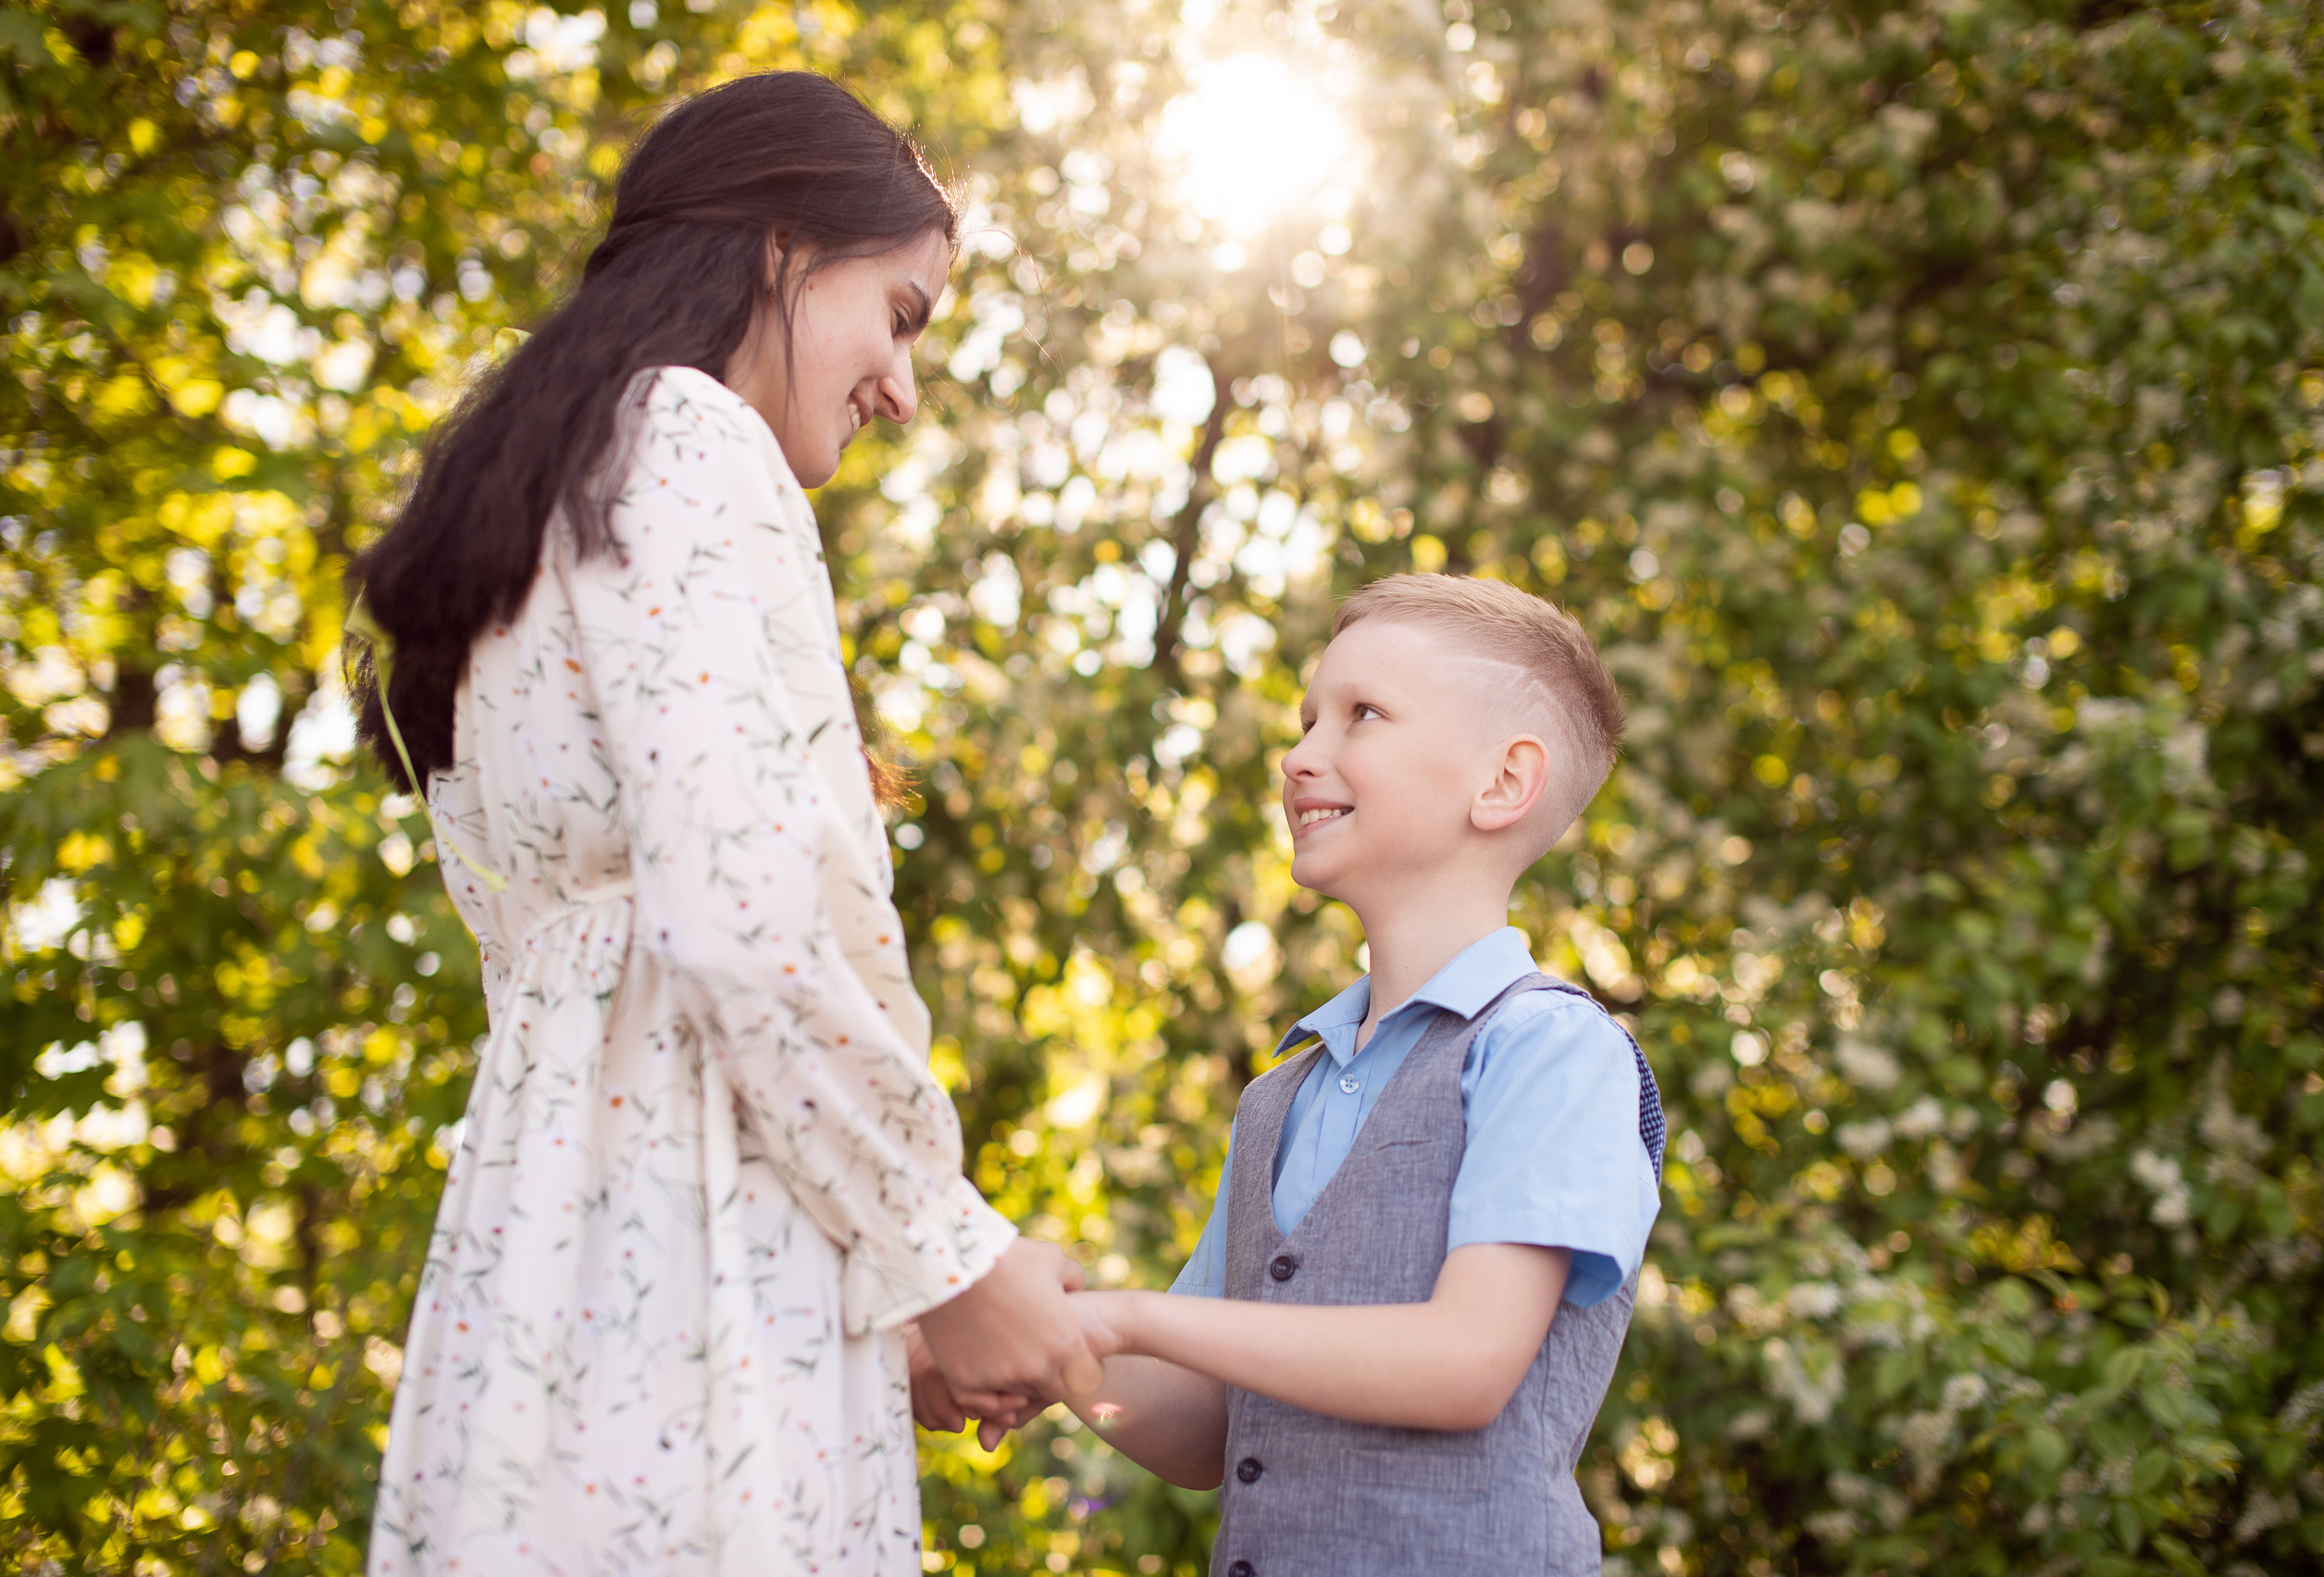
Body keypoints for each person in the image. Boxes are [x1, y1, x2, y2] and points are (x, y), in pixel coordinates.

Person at [348, 73, 1097, 1576]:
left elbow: (610, 1026)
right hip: (687, 1296)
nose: (902, 381)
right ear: (778, 249)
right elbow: (743, 929)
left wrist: (872, 1300)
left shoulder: (560, 502)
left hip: (565, 1277)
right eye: (902, 312)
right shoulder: (691, 436)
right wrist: (948, 1251)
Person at [1053, 574, 1665, 1575]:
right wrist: (1059, 1355)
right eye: (1304, 722)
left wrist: (1128, 1315)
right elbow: (1205, 1429)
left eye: (1361, 715)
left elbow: (1467, 1363)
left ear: (1502, 784)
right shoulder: (1277, 1099)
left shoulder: (1550, 1051)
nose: (1299, 756)